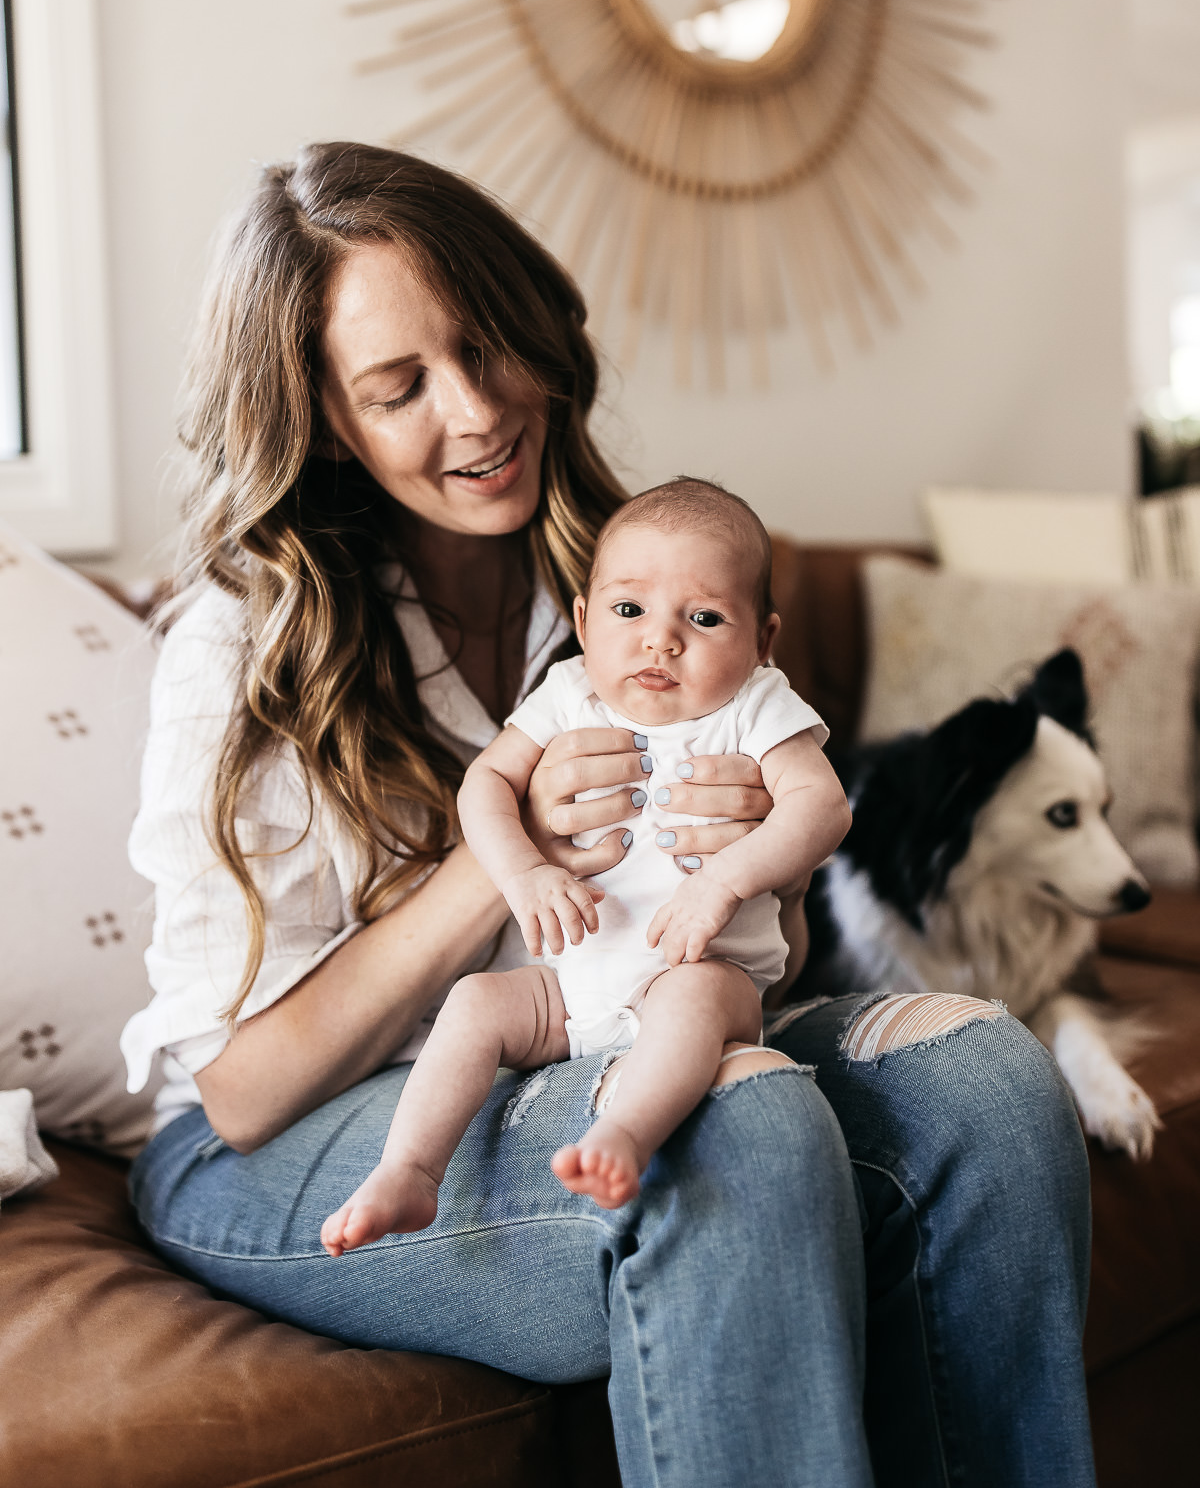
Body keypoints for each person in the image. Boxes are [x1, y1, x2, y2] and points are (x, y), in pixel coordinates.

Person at [121, 142, 1097, 1488]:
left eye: (484, 343)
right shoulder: (245, 643)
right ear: (329, 422)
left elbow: (742, 966)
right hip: (276, 1142)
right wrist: (502, 857)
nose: (477, 410)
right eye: (401, 387)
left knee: (991, 1084)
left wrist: (746, 869)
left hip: (590, 1029)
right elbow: (238, 1091)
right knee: (737, 1127)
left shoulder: (636, 579)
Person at [321, 479, 850, 1248]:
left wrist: (724, 880)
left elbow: (823, 806)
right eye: (628, 609)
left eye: (704, 618)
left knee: (692, 998)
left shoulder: (756, 705)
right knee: (475, 1002)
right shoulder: (568, 692)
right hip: (571, 988)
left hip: (699, 972)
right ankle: (409, 1169)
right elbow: (487, 783)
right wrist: (524, 872)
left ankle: (624, 1135)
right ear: (581, 620)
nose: (660, 640)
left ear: (763, 640)